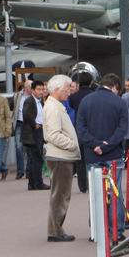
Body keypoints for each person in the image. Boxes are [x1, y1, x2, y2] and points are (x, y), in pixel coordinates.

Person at [76, 73, 129, 239]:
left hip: (92, 155)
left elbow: (81, 129)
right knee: (115, 192)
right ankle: (116, 231)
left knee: (95, 193)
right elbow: (122, 129)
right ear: (115, 87)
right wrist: (107, 145)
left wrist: (95, 144)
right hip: (113, 154)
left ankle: (97, 230)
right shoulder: (120, 102)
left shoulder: (86, 101)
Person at [42, 75, 80, 242]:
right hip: (60, 156)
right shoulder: (53, 107)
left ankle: (55, 229)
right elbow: (53, 134)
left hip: (60, 156)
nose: (69, 92)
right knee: (60, 195)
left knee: (60, 194)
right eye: (66, 89)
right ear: (56, 89)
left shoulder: (54, 105)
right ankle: (55, 231)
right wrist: (72, 144)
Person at [20, 79, 48, 190]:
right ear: (32, 90)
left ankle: (32, 184)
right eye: (38, 89)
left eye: (42, 89)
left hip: (39, 131)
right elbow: (26, 114)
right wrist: (34, 124)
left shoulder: (40, 101)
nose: (41, 91)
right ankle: (38, 183)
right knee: (37, 159)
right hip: (33, 132)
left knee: (34, 159)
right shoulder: (30, 101)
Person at [14, 78, 30, 179]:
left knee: (28, 149)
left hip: (29, 124)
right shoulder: (17, 95)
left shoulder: (33, 96)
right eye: (29, 87)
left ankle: (28, 171)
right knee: (18, 148)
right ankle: (20, 171)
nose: (31, 89)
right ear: (25, 87)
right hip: (19, 123)